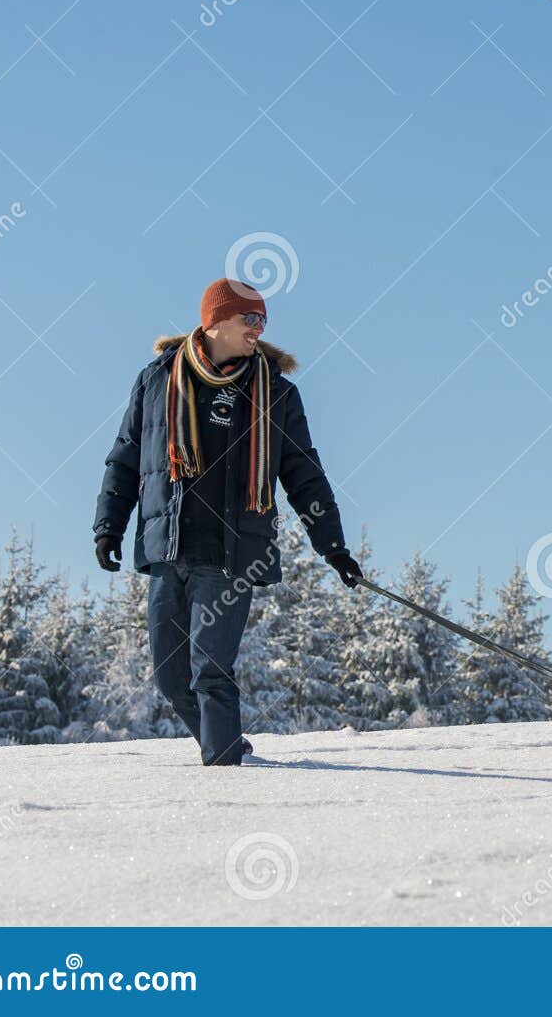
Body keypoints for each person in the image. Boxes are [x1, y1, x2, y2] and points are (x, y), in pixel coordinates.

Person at [92, 278, 363, 765]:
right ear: (215, 319)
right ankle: (231, 749)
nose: (259, 329)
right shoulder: (157, 380)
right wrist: (108, 525)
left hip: (231, 554)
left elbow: (304, 475)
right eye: (250, 318)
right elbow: (126, 460)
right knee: (171, 678)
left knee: (210, 670)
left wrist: (333, 547)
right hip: (166, 547)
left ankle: (225, 774)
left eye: (263, 320)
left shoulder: (275, 392)